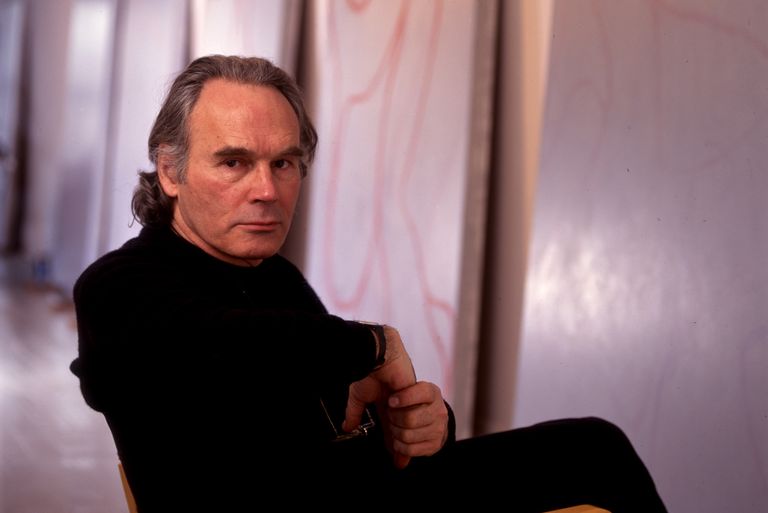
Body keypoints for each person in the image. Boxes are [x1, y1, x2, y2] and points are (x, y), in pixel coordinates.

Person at [70, 55, 667, 512]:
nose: (267, 190)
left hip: (362, 496)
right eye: (234, 162)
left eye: (284, 163)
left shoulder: (275, 278)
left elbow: (328, 401)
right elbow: (231, 344)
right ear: (171, 170)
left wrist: (417, 424)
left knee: (594, 447)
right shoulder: (117, 286)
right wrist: (373, 344)